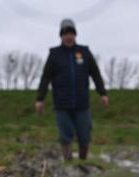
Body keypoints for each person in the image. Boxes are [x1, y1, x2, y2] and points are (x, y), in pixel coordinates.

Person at [36, 18, 109, 161]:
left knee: (84, 135)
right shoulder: (54, 54)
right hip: (62, 104)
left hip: (82, 103)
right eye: (65, 33)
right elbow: (45, 78)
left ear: (75, 35)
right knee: (65, 135)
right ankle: (68, 162)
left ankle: (83, 161)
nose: (68, 36)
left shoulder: (84, 52)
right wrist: (40, 99)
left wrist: (103, 94)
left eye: (71, 33)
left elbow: (95, 74)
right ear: (61, 36)